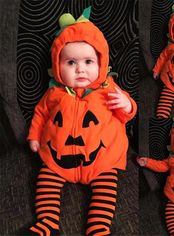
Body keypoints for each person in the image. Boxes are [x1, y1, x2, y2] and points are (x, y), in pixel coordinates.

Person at [27, 6, 137, 236]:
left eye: (88, 62)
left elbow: (127, 112)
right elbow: (40, 114)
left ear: (101, 63)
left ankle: (98, 228)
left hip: (101, 160)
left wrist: (127, 105)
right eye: (70, 63)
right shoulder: (54, 93)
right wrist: (34, 136)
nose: (80, 70)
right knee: (46, 179)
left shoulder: (109, 89)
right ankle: (47, 223)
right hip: (58, 157)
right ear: (57, 66)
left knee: (107, 189)